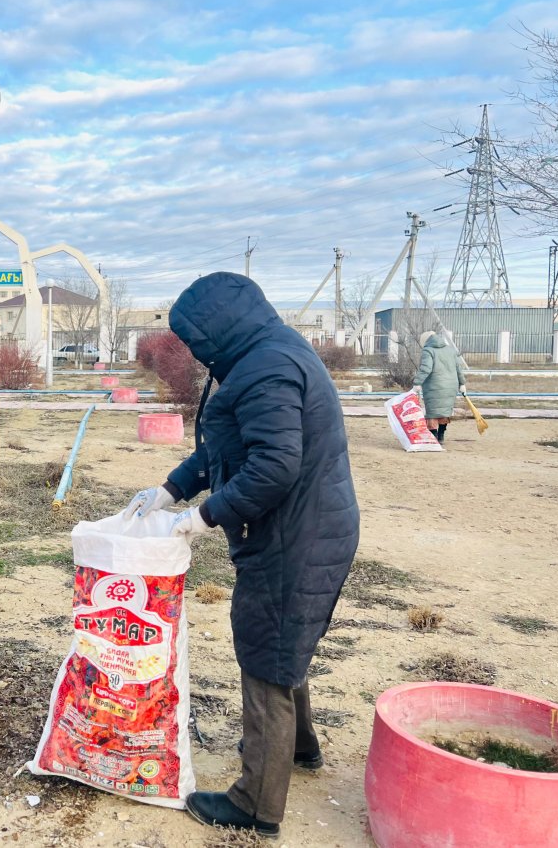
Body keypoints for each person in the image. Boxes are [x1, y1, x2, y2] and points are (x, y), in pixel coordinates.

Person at [122, 273, 359, 839]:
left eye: (197, 338)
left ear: (219, 330)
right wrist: (173, 489)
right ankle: (298, 747)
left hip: (294, 534)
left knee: (266, 650)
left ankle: (255, 805)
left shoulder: (266, 367)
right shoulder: (264, 353)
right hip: (308, 527)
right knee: (283, 643)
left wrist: (205, 516)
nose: (194, 350)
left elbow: (273, 466)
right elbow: (225, 447)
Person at [413, 330, 467, 444]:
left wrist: (417, 383)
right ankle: (441, 436)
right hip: (451, 386)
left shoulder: (428, 350)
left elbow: (425, 369)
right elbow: (458, 368)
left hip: (434, 386)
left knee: (432, 412)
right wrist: (462, 383)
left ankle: (433, 437)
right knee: (444, 411)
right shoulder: (450, 350)